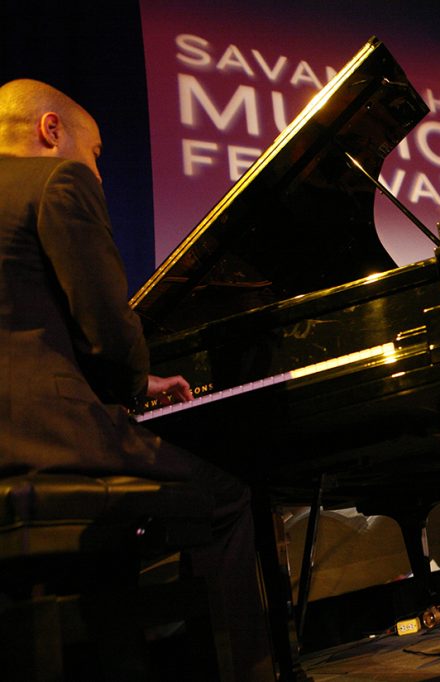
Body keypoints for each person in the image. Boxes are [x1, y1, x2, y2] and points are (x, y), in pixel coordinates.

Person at [0, 79, 271, 679]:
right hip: (48, 441)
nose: (97, 171)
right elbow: (109, 334)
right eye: (95, 154)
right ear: (51, 130)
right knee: (226, 493)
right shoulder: (57, 182)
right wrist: (130, 382)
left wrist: (141, 384)